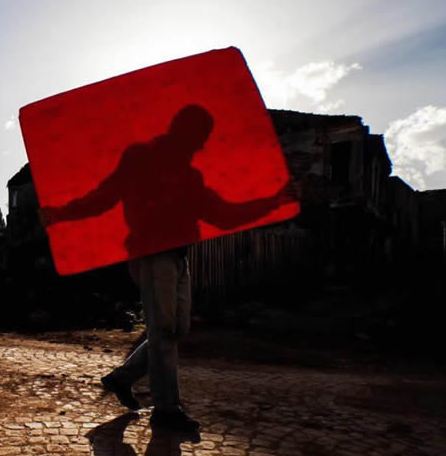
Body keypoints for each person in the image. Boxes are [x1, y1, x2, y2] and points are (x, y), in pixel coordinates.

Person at [41, 105, 293, 432]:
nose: (200, 146)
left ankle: (121, 378)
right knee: (163, 333)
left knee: (175, 330)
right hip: (150, 255)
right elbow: (104, 197)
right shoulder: (140, 157)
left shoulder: (191, 176)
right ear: (180, 130)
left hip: (177, 256)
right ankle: (166, 412)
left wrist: (273, 202)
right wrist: (60, 214)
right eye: (198, 138)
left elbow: (223, 214)